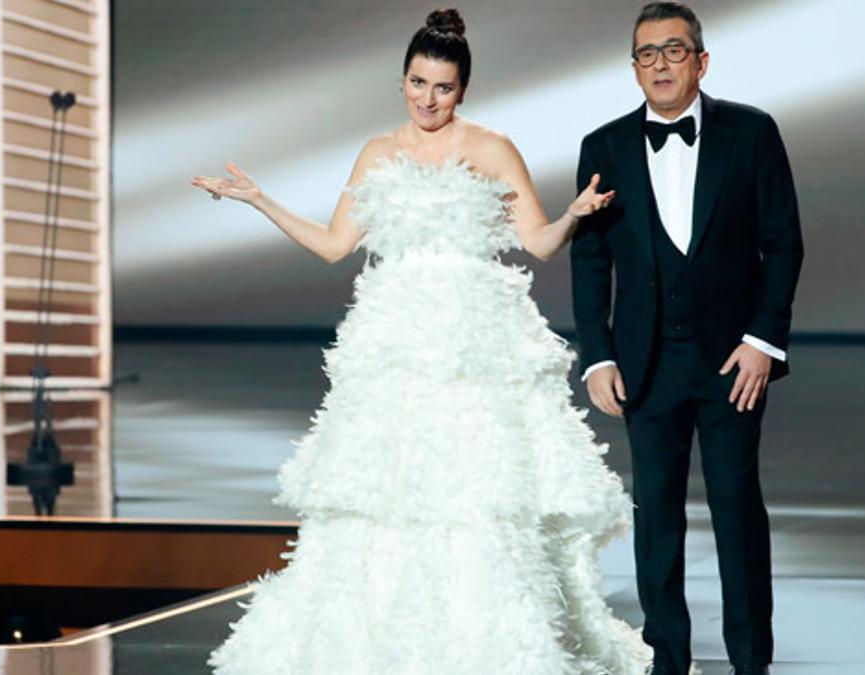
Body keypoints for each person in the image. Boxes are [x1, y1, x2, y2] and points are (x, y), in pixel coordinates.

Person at [190, 8, 653, 675]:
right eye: (416, 83)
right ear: (401, 80)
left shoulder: (492, 149)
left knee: (478, 489)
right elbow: (333, 245)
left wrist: (575, 215)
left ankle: (485, 643)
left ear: (462, 88)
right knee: (389, 488)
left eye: (441, 87)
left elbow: (538, 243)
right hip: (395, 341)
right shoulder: (378, 152)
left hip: (477, 342)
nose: (427, 99)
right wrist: (259, 199)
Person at [570, 3, 805, 674]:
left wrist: (764, 339)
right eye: (647, 53)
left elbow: (782, 243)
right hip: (645, 364)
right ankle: (666, 660)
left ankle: (751, 661)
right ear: (635, 67)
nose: (661, 64)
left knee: (736, 511)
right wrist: (599, 354)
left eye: (675, 51)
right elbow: (591, 262)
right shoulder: (605, 146)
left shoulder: (752, 134)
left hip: (734, 363)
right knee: (656, 520)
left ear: (701, 62)